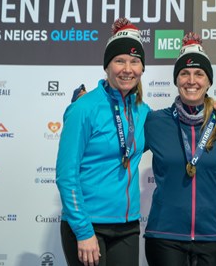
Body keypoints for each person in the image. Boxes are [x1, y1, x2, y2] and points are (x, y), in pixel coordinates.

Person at [56, 17, 150, 266]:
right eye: (119, 61)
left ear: (142, 68)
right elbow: (67, 174)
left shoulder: (143, 111)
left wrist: (212, 108)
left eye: (134, 61)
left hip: (127, 226)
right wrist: (84, 231)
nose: (127, 69)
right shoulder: (83, 108)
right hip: (88, 224)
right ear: (107, 66)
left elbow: (175, 128)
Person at [143, 32, 216, 266]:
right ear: (176, 80)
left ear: (209, 82)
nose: (191, 80)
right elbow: (118, 145)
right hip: (164, 236)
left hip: (212, 236)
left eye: (199, 74)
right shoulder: (155, 121)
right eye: (184, 73)